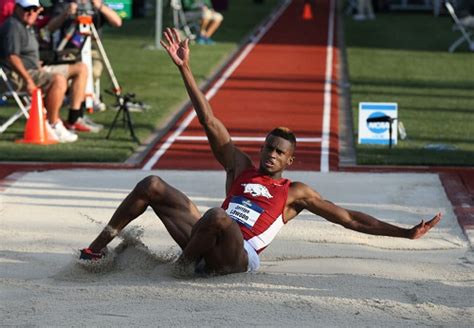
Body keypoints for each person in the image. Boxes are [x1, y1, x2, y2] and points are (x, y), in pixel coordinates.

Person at [79, 28, 442, 276]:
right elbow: (208, 120)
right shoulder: (240, 166)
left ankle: (181, 270)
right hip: (206, 236)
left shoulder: (294, 193)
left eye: (278, 152)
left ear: (289, 160)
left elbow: (350, 218)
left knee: (219, 217)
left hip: (236, 254)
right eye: (268, 146)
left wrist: (404, 233)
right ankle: (96, 249)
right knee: (153, 183)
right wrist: (185, 68)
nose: (270, 154)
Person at [0, 0, 88, 142]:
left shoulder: (27, 26)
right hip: (16, 76)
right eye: (27, 9)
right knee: (58, 79)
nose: (31, 13)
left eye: (35, 9)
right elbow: (12, 57)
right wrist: (28, 81)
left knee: (80, 68)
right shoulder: (13, 27)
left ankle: (73, 118)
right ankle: (53, 123)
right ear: (17, 8)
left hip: (34, 70)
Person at [47, 0, 122, 113]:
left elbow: (117, 22)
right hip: (70, 49)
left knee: (94, 70)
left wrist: (99, 6)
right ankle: (79, 99)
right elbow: (50, 27)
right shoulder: (64, 3)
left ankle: (87, 96)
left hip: (92, 48)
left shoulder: (96, 3)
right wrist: (65, 14)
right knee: (71, 71)